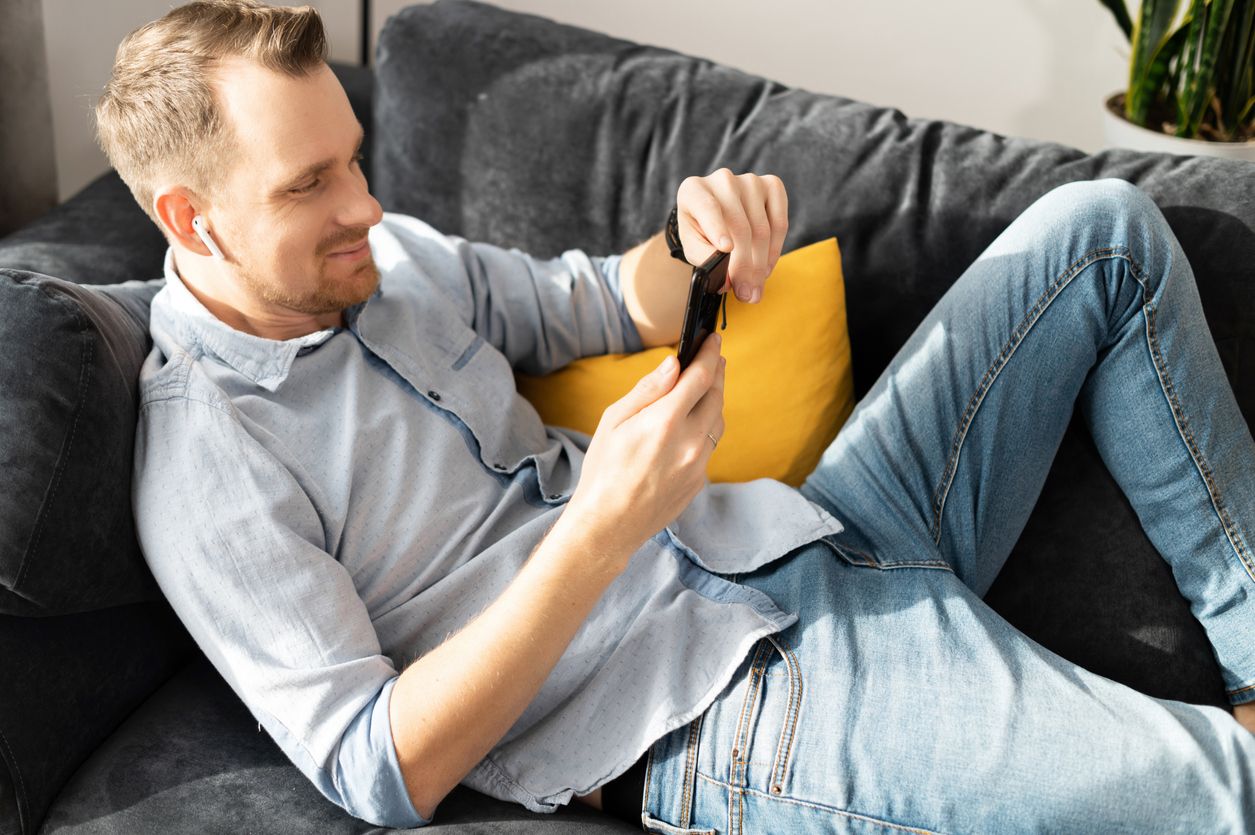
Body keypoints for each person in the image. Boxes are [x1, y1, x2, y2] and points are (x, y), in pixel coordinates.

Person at [98, 1, 1255, 831]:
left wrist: (695, 236)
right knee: (1224, 792)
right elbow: (379, 769)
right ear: (191, 220)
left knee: (1100, 233)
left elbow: (598, 300)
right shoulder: (210, 463)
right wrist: (601, 527)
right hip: (719, 711)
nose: (367, 203)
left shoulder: (388, 260)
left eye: (352, 157)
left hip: (797, 536)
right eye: (310, 186)